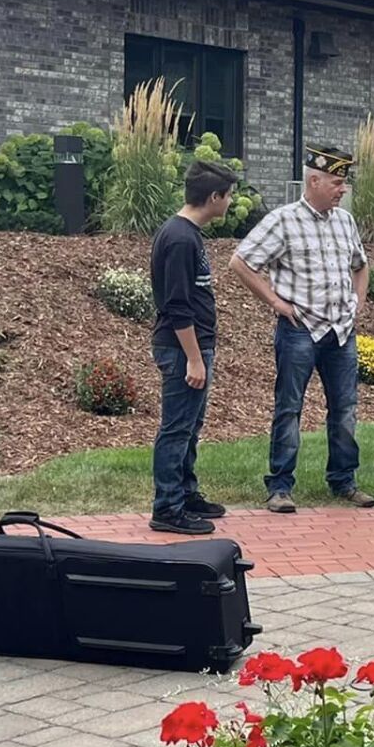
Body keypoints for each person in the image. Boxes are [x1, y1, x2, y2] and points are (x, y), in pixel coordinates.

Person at [230, 144, 374, 513]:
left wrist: (358, 303)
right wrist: (277, 303)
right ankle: (280, 486)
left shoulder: (345, 221)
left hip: (341, 332)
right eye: (337, 182)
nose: (343, 189)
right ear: (314, 180)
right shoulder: (283, 220)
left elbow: (361, 265)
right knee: (289, 407)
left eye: (344, 183)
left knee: (345, 409)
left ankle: (344, 481)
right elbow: (241, 262)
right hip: (300, 330)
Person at [149, 159, 238, 535]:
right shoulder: (181, 238)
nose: (231, 202)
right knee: (176, 428)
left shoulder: (185, 234)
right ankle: (167, 507)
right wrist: (194, 359)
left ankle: (186, 493)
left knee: (189, 426)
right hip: (182, 348)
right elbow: (176, 306)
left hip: (193, 348)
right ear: (214, 197)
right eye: (229, 196)